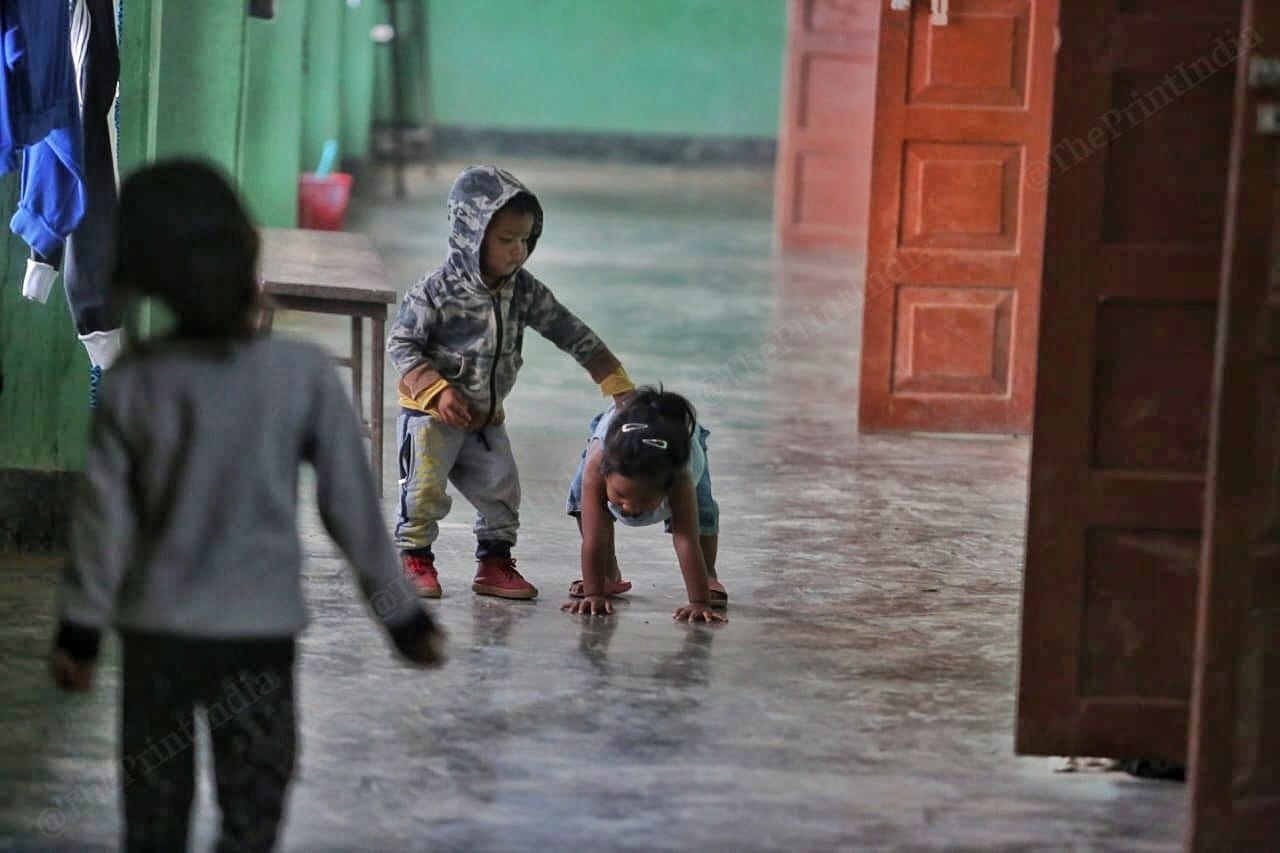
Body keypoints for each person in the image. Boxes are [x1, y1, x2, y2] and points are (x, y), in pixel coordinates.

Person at [48, 159, 445, 852]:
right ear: (245, 253)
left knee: (154, 822)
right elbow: (351, 511)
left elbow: (103, 523)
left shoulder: (135, 384)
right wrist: (401, 617)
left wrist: (80, 631)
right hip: (257, 643)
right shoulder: (302, 377)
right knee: (251, 821)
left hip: (157, 640)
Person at [388, 164, 634, 600]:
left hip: (485, 418)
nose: (518, 251)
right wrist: (437, 391)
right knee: (423, 493)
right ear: (471, 236)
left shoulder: (524, 291)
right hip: (431, 418)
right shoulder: (434, 292)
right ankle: (415, 558)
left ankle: (494, 563)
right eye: (506, 240)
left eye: (526, 239)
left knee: (502, 490)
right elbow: (402, 344)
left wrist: (614, 380)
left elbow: (567, 328)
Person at [563, 386, 728, 623]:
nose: (628, 507)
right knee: (584, 506)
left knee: (702, 516)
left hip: (680, 445)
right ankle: (607, 575)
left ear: (667, 488)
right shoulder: (598, 465)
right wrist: (594, 594)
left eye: (644, 499)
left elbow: (685, 539)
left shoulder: (680, 477)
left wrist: (699, 602)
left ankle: (708, 574)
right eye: (620, 494)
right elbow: (594, 538)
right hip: (609, 441)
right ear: (606, 474)